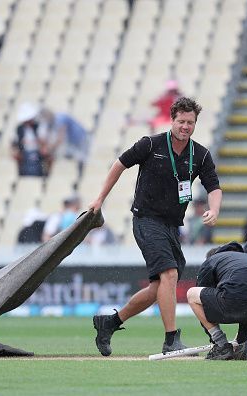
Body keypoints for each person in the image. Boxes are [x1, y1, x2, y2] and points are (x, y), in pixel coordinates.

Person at [88, 97, 222, 356]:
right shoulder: (150, 144)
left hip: (173, 226)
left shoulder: (201, 154)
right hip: (145, 220)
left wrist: (214, 209)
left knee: (158, 287)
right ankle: (171, 339)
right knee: (170, 275)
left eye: (190, 122)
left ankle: (109, 323)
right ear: (172, 120)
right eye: (181, 121)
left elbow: (214, 187)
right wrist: (100, 198)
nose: (185, 126)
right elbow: (119, 164)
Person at [186, 242, 247, 360]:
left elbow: (202, 301)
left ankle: (221, 344)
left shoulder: (211, 260)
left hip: (238, 296)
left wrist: (215, 341)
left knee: (192, 294)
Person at [38, 109, 89, 177]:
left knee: (81, 158)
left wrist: (49, 148)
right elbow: (45, 136)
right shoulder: (49, 122)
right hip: (72, 142)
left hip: (80, 140)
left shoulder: (60, 118)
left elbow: (60, 138)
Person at [11, 103, 47, 177]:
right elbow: (14, 142)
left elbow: (43, 141)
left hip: (38, 154)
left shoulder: (39, 127)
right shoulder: (19, 129)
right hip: (24, 154)